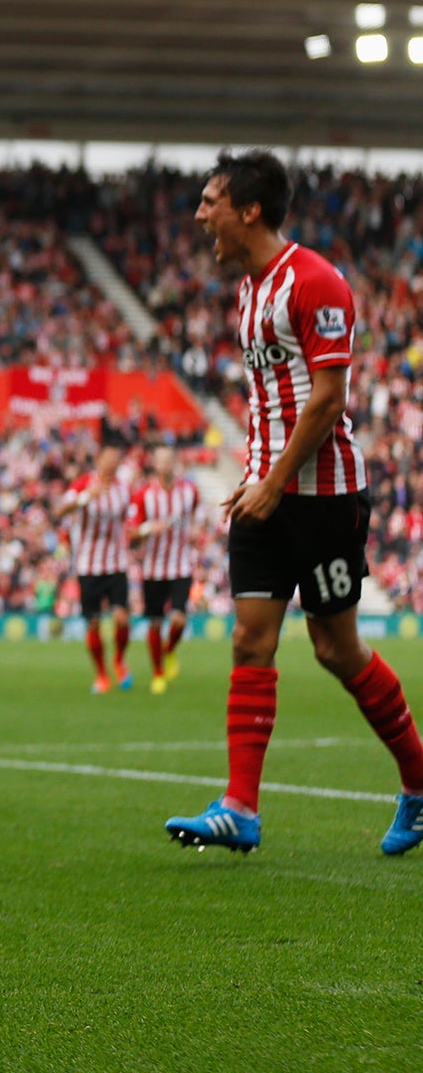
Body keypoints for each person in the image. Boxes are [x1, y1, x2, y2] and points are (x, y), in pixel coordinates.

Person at [167, 151, 423, 856]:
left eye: (210, 200)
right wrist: (259, 482)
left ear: (249, 210)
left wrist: (274, 482)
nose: (199, 214)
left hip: (323, 499)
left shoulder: (316, 281)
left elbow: (328, 400)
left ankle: (419, 782)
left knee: (336, 648)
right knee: (251, 639)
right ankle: (240, 808)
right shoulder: (250, 290)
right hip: (263, 492)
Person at [55, 442, 134, 693]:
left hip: (116, 564)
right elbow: (60, 510)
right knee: (94, 624)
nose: (112, 464)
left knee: (122, 619)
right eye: (108, 459)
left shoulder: (122, 490)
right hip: (88, 565)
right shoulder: (82, 484)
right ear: (99, 460)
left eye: (116, 459)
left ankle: (119, 659)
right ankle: (101, 674)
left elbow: (127, 520)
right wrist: (85, 498)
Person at [129, 444, 202, 694]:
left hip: (181, 565)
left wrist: (194, 532)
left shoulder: (189, 491)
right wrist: (150, 528)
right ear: (154, 463)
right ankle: (158, 672)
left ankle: (169, 651)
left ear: (175, 462)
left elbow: (195, 518)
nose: (165, 465)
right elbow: (131, 532)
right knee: (155, 624)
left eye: (169, 460)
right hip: (153, 568)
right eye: (161, 460)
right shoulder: (143, 494)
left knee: (180, 619)